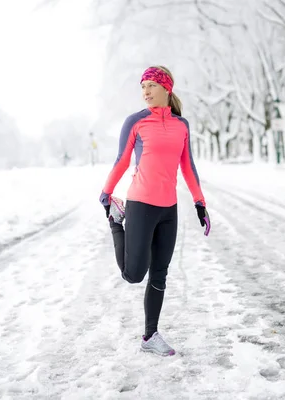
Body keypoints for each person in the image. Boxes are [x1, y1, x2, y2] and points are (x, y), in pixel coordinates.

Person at [99, 65, 211, 356]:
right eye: (143, 86)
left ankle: (150, 336)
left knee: (159, 274)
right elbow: (121, 160)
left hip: (168, 210)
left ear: (166, 88)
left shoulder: (181, 125)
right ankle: (116, 222)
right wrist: (106, 193)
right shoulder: (136, 122)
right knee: (134, 275)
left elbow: (188, 166)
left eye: (151, 85)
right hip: (140, 204)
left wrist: (200, 203)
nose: (146, 92)